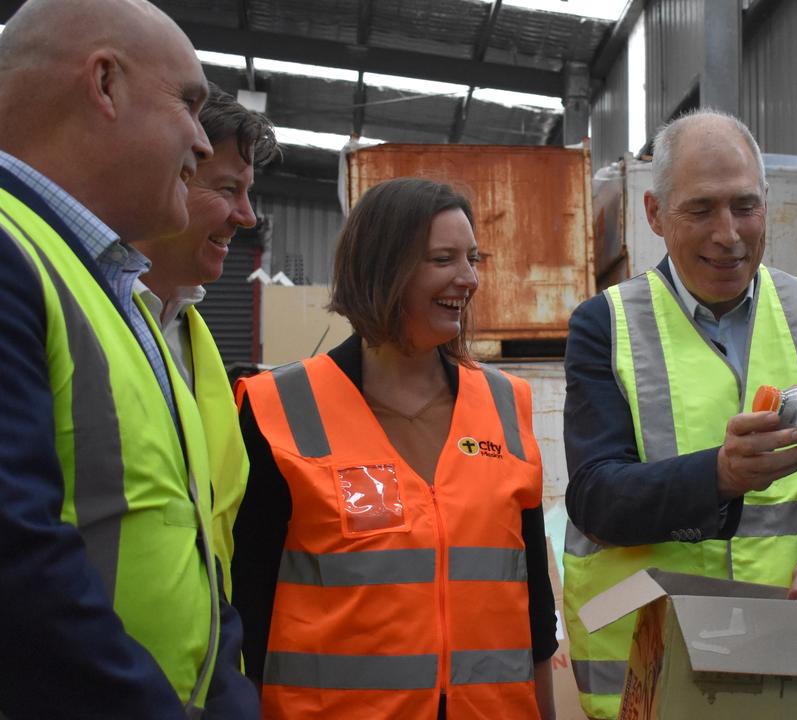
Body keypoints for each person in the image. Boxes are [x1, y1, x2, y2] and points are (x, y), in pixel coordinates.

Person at [0, 0, 258, 717]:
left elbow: (191, 553)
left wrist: (228, 695)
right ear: (104, 83)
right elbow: (17, 567)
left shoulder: (109, 289)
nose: (203, 145)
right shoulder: (13, 256)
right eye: (188, 104)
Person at [232, 178, 558, 719]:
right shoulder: (280, 409)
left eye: (473, 258)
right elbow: (250, 603)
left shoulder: (506, 404)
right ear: (383, 269)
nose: (468, 278)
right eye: (443, 259)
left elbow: (534, 607)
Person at [561, 109, 797, 719]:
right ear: (655, 214)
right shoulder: (604, 327)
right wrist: (717, 476)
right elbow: (595, 497)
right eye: (701, 209)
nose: (729, 233)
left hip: (795, 672)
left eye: (746, 206)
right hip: (661, 683)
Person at [134, 85, 279, 598]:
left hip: (202, 663)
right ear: (168, 179)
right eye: (227, 190)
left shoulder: (194, 338)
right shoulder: (84, 315)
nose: (247, 216)